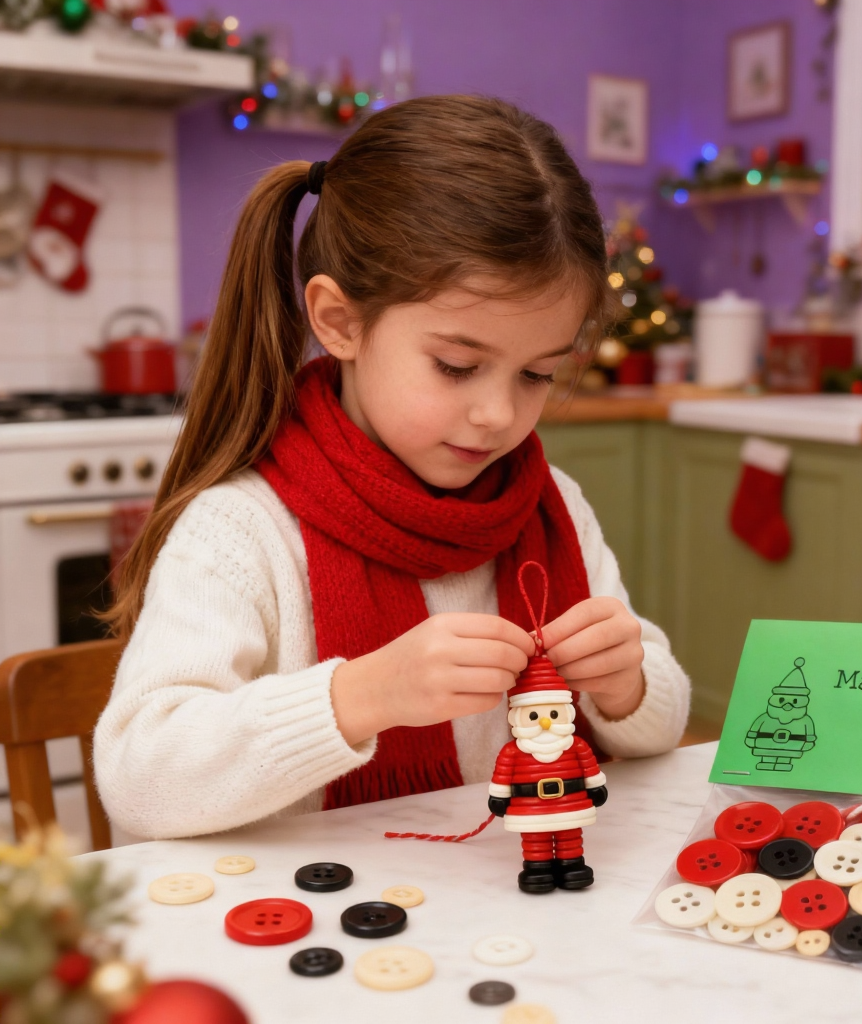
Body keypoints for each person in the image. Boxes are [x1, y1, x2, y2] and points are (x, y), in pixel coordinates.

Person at [94, 95, 690, 840]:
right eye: (457, 365)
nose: (499, 415)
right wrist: (358, 695)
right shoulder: (242, 529)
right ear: (340, 322)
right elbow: (140, 778)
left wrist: (628, 686)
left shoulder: (551, 505)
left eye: (537, 374)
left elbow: (662, 721)